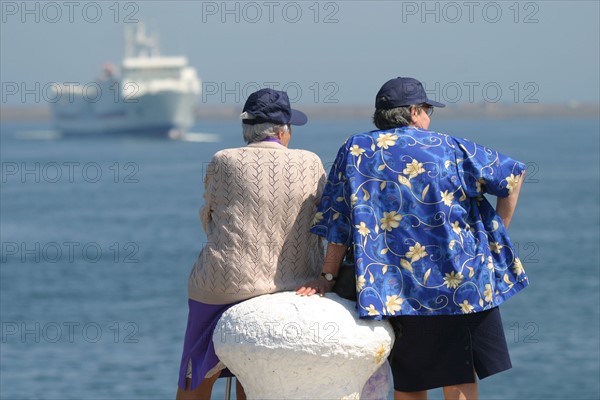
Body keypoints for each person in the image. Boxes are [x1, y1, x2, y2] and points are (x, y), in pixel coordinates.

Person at [297, 77, 527, 400]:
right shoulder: (448, 147)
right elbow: (512, 177)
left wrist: (326, 277)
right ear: (414, 112)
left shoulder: (355, 151)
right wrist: (496, 235)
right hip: (460, 282)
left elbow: (338, 222)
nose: (430, 119)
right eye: (428, 110)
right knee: (459, 380)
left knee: (408, 383)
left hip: (395, 288)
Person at [177, 88, 326, 400]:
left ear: (247, 129)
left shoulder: (223, 160)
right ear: (284, 131)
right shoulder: (311, 163)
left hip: (224, 284)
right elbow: (322, 220)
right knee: (257, 377)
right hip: (292, 284)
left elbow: (210, 218)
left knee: (195, 373)